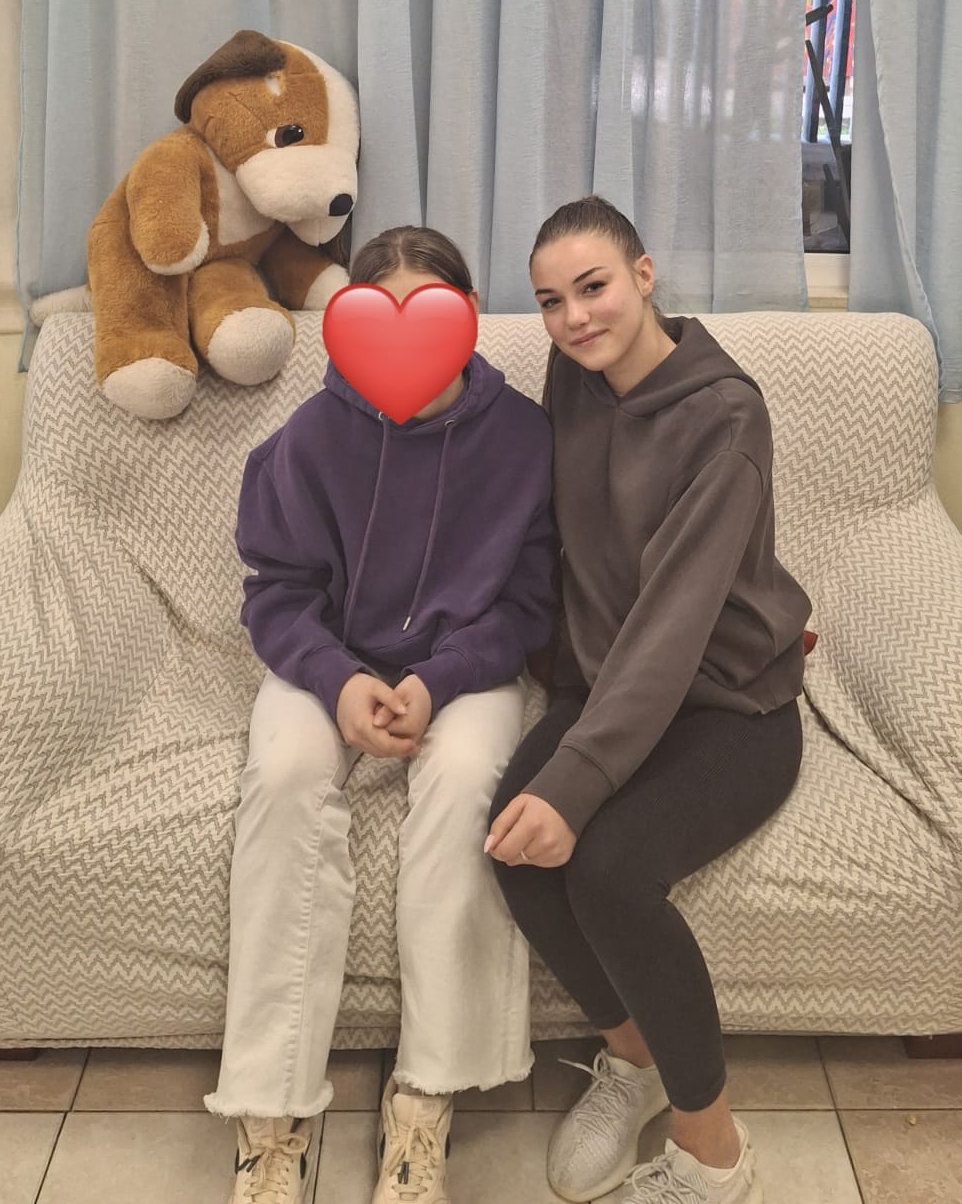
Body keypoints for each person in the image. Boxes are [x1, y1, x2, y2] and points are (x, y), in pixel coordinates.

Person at [207, 225, 557, 1204]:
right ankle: (270, 1109)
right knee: (283, 777)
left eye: (428, 312)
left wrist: (439, 681)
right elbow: (276, 592)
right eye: (382, 313)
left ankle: (426, 1096)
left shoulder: (527, 440)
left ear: (469, 316)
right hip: (329, 660)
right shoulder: (308, 438)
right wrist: (335, 680)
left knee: (468, 781)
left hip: (466, 671)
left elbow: (529, 604)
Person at [486, 196, 810, 1204]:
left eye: (593, 287)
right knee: (513, 847)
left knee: (609, 872)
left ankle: (714, 1156)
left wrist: (579, 780)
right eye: (551, 301)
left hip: (730, 705)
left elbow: (673, 628)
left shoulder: (726, 415)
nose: (574, 317)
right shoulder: (573, 378)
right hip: (608, 681)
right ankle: (633, 1064)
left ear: (644, 275)